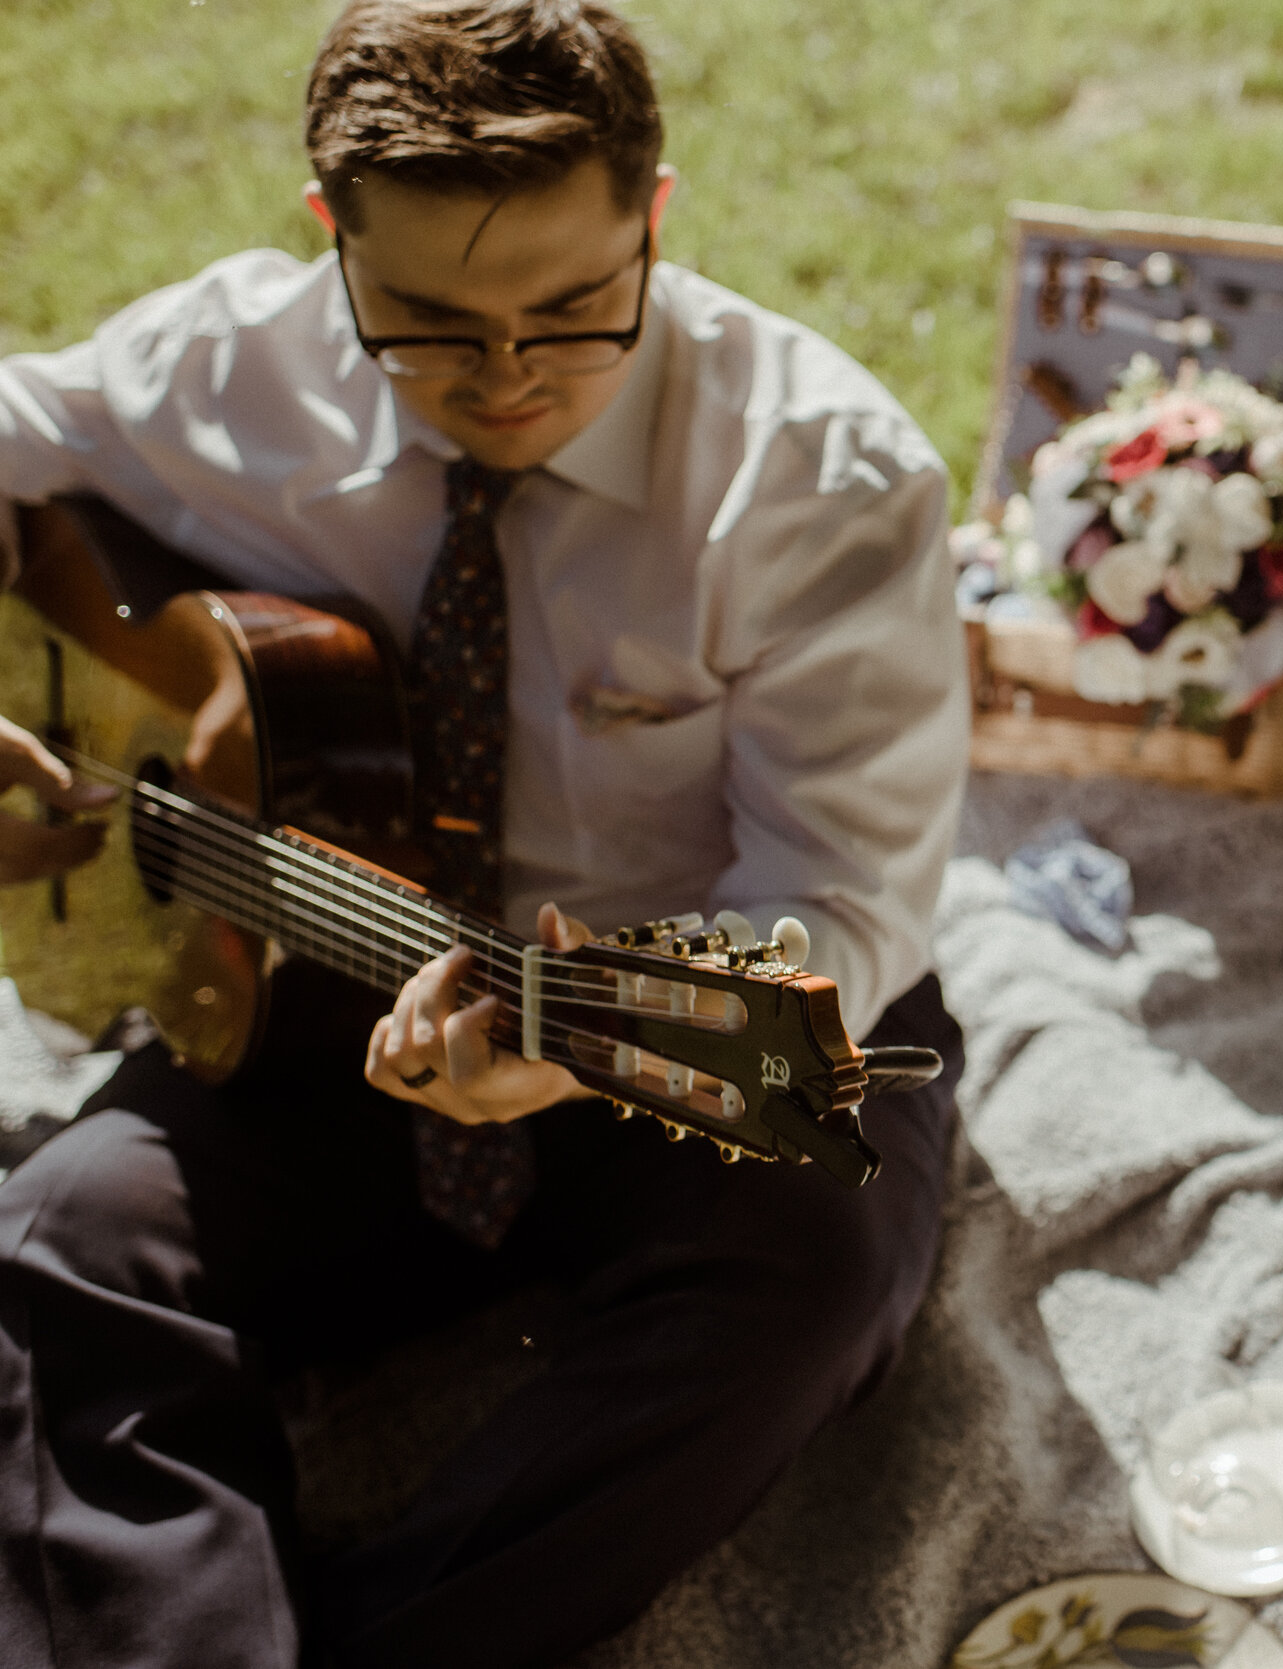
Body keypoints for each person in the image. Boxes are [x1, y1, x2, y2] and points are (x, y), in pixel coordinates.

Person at [0, 2, 968, 1664]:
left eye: (579, 310)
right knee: (54, 1244)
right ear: (331, 239)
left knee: (812, 1275)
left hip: (684, 1023)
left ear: (656, 215)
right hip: (306, 1000)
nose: (509, 379)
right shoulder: (221, 367)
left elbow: (840, 904)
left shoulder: (820, 474)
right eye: (430, 324)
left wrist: (577, 1050)